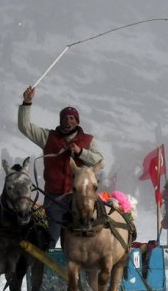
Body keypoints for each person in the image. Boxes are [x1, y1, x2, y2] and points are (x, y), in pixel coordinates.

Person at [18, 86, 104, 248]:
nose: (68, 120)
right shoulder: (47, 137)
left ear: (77, 121)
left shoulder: (88, 140)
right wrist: (27, 103)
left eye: (72, 118)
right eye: (65, 117)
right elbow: (25, 127)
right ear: (60, 120)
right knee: (50, 238)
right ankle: (45, 269)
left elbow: (100, 161)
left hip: (81, 198)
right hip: (54, 198)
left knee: (85, 238)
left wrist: (80, 152)